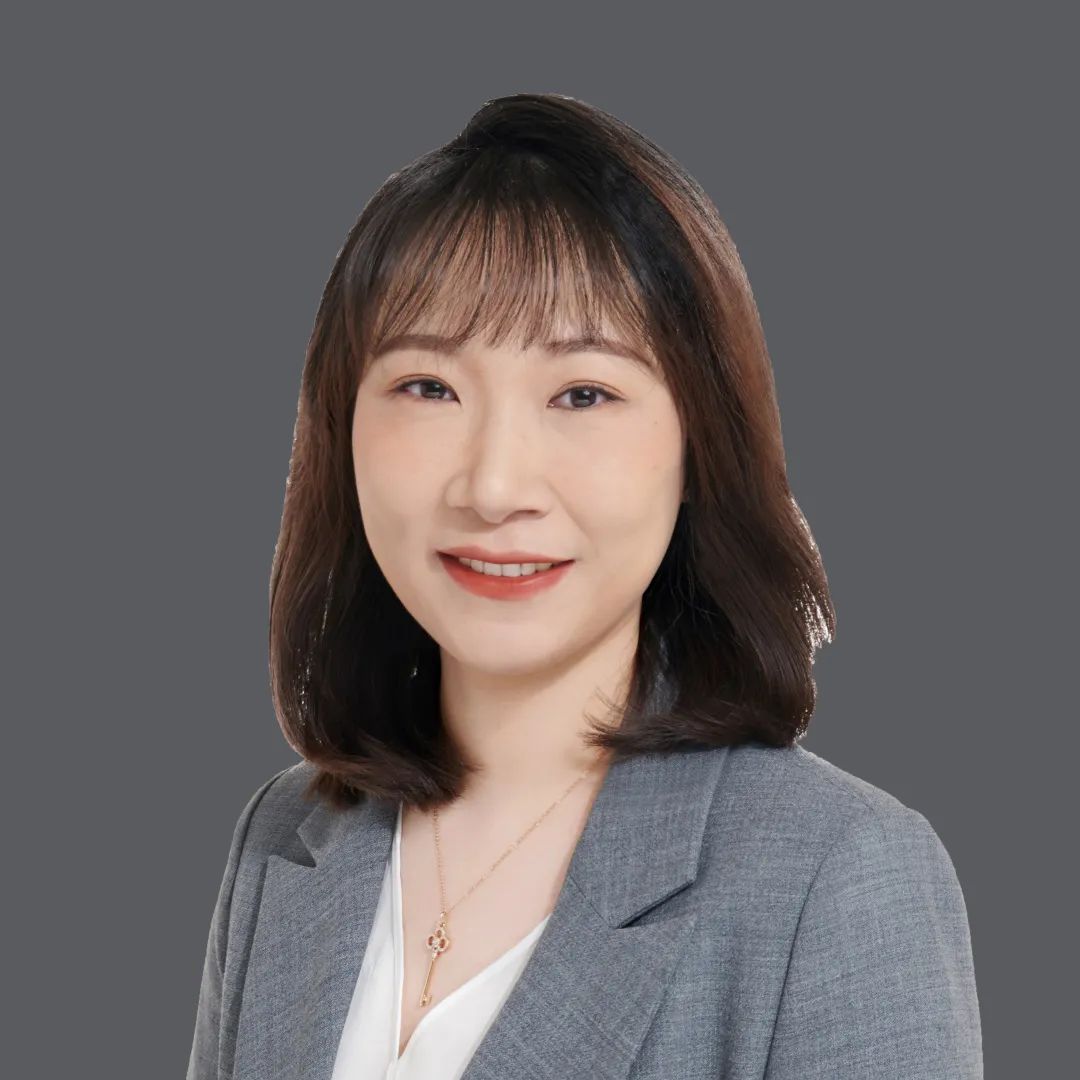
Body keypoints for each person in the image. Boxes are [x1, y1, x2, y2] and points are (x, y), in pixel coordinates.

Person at [186, 92, 983, 1079]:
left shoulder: (837, 876)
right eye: (429, 387)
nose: (493, 487)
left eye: (582, 394)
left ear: (698, 446)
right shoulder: (286, 835)